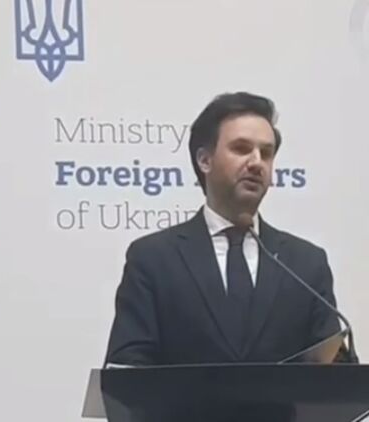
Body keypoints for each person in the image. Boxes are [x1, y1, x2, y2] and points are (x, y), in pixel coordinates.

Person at [105, 92, 348, 367]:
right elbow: (128, 370)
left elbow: (336, 370)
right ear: (204, 161)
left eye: (266, 153)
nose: (256, 162)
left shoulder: (305, 264)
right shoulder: (153, 258)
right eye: (241, 149)